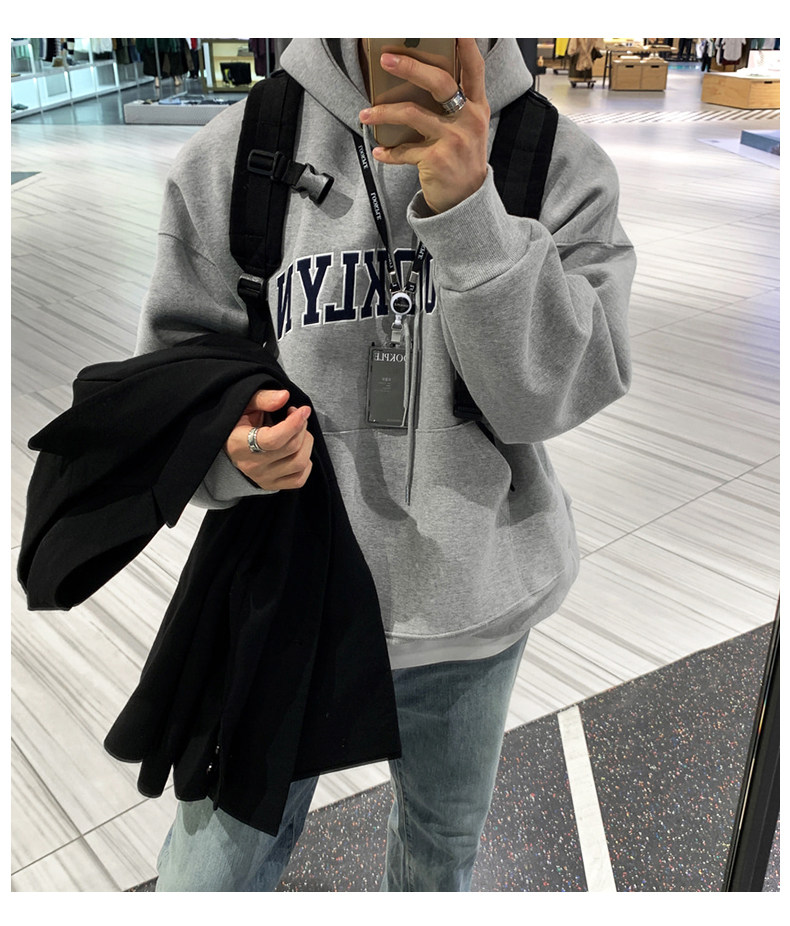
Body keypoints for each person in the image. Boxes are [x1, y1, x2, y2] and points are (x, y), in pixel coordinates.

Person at [136, 38, 635, 892]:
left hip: (469, 608)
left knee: (439, 862)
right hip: (284, 599)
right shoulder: (236, 153)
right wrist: (228, 452)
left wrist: (473, 213)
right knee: (208, 879)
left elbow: (560, 393)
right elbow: (170, 381)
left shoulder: (555, 162)